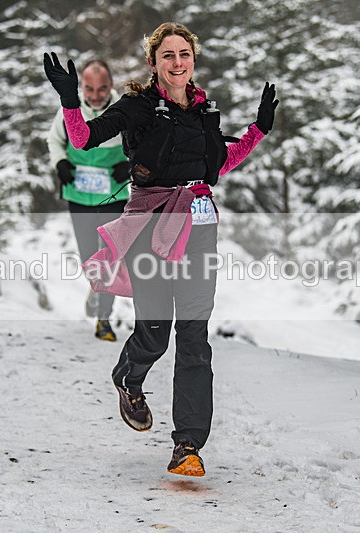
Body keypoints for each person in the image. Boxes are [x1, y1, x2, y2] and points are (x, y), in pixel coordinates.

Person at [43, 22, 278, 477]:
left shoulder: (205, 111)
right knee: (155, 330)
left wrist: (258, 131)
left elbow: (218, 164)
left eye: (184, 54)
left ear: (193, 60)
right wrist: (71, 101)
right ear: (153, 62)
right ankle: (128, 377)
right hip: (151, 226)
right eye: (167, 55)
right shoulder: (137, 106)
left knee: (194, 335)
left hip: (199, 226)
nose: (177, 62)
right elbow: (83, 139)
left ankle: (187, 444)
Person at [47, 59, 130, 342]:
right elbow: (55, 141)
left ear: (111, 86)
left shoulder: (125, 111)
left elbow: (143, 146)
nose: (96, 95)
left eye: (102, 88)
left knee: (109, 259)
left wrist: (130, 165)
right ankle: (95, 289)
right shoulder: (69, 112)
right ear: (82, 87)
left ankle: (103, 319)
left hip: (114, 195)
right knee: (88, 258)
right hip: (79, 196)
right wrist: (60, 163)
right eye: (90, 89)